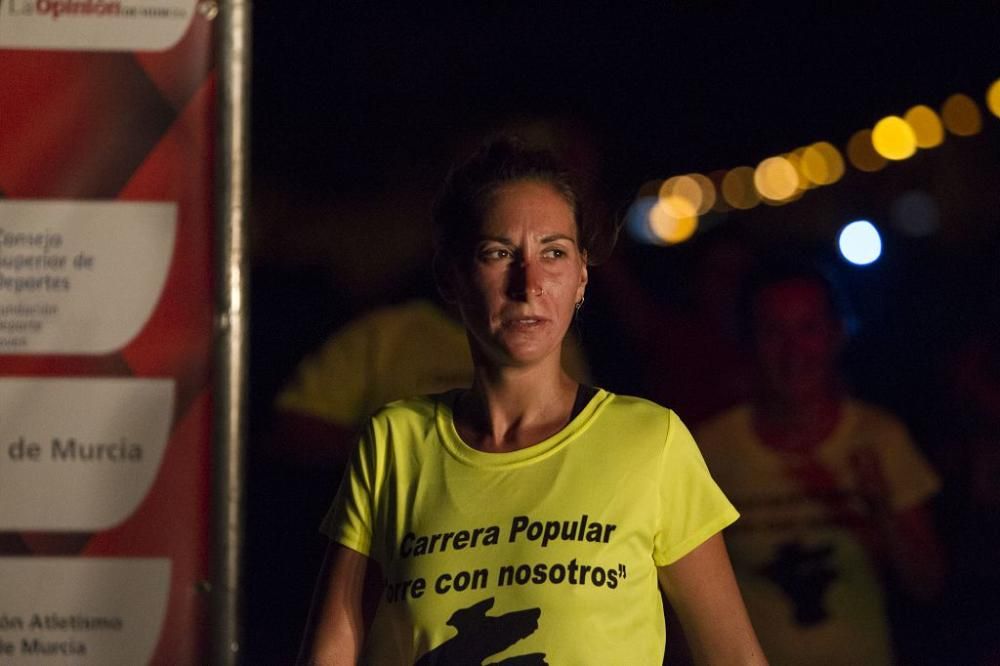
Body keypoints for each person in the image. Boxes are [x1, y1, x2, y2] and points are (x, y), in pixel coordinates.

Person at [299, 137, 765, 664]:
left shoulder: (648, 441)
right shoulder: (396, 442)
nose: (529, 283)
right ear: (452, 276)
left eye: (554, 252)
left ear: (582, 276)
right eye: (498, 253)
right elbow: (332, 648)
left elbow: (734, 657)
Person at [695, 259, 945, 665]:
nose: (794, 350)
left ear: (836, 334)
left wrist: (880, 510)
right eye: (775, 331)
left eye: (808, 328)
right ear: (750, 340)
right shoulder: (710, 448)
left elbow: (927, 583)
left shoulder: (878, 437)